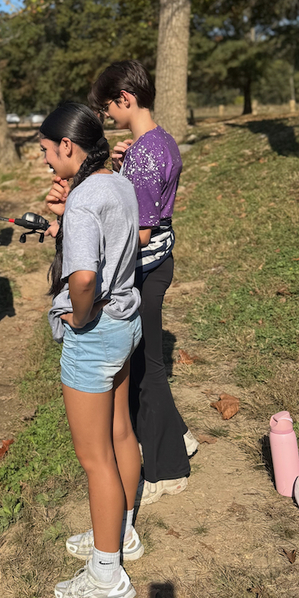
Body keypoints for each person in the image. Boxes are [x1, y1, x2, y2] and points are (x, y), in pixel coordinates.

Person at [40, 104, 143, 598]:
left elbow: (82, 278)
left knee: (94, 455)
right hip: (128, 322)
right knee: (121, 432)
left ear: (67, 147)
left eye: (44, 150)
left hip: (97, 332)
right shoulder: (117, 182)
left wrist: (78, 319)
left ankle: (107, 575)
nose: (43, 161)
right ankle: (120, 534)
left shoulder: (83, 199)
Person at [88, 60, 195, 503]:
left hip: (146, 268)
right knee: (145, 365)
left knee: (147, 372)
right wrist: (124, 164)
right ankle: (179, 436)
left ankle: (169, 470)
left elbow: (141, 231)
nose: (108, 117)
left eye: (108, 108)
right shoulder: (158, 141)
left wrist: (93, 232)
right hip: (159, 262)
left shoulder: (145, 155)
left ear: (125, 99)